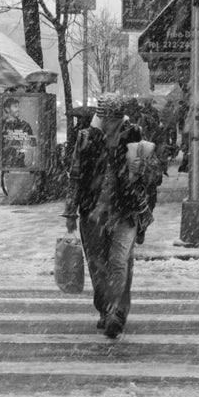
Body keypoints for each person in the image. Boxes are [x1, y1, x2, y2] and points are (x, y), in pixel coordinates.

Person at [62, 96, 153, 340]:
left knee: (119, 261)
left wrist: (142, 167)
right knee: (98, 265)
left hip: (126, 210)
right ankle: (105, 308)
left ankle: (117, 313)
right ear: (101, 117)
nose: (111, 123)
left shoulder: (134, 134)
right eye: (107, 118)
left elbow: (150, 172)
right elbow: (76, 175)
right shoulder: (87, 137)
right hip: (93, 212)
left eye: (116, 118)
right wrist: (71, 210)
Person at [0, 97, 35, 168]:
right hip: (5, 166)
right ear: (7, 109)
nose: (18, 109)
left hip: (21, 164)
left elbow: (33, 144)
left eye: (18, 107)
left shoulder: (25, 125)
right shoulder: (1, 125)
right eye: (15, 107)